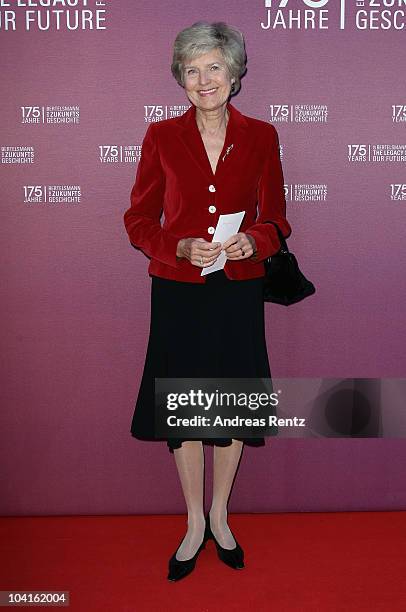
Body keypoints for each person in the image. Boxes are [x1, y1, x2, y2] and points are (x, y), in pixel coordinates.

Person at [123, 21, 292, 581]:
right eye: (192, 70)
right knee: (187, 409)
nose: (203, 80)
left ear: (236, 73)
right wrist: (179, 244)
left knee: (231, 405)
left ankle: (221, 515)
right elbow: (139, 220)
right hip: (179, 291)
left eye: (214, 67)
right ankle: (194, 520)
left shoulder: (264, 136)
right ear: (181, 78)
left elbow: (277, 219)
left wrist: (255, 240)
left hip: (237, 290)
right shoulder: (160, 137)